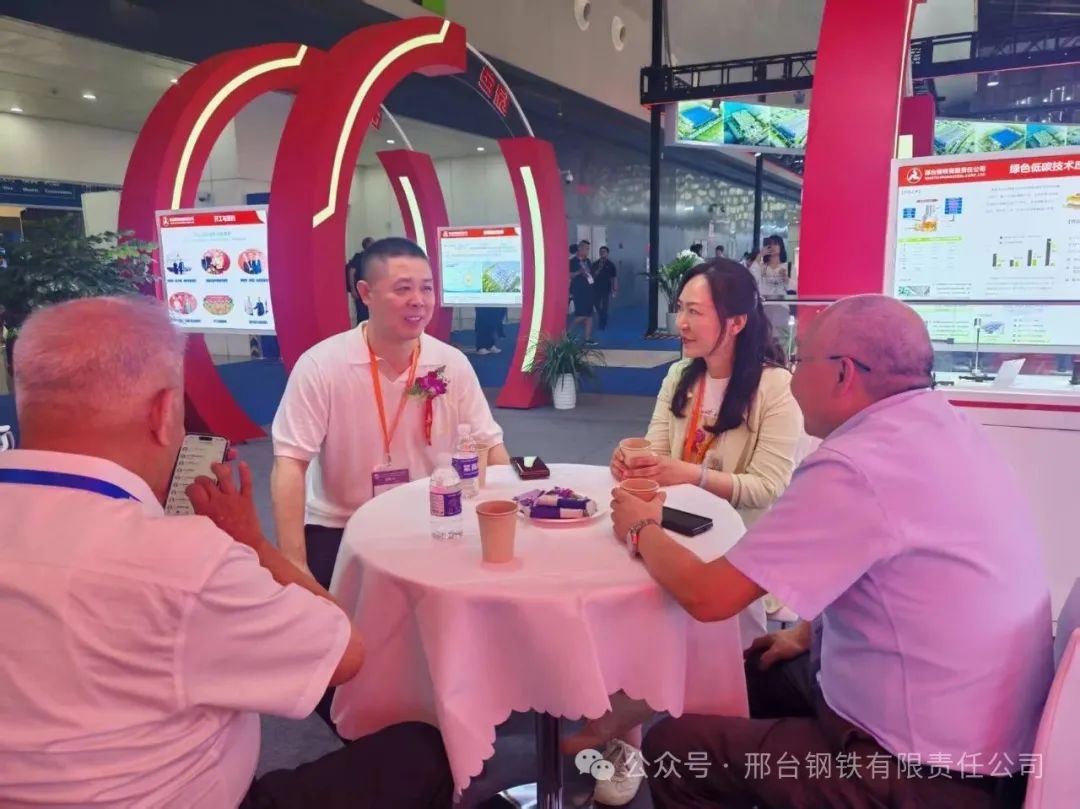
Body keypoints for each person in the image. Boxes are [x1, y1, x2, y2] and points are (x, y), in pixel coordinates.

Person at [0, 296, 454, 808]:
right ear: (164, 412)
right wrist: (252, 543)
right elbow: (343, 654)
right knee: (421, 753)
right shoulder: (182, 560)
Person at [608, 295, 1052, 809]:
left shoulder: (856, 465)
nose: (793, 377)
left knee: (675, 749)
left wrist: (641, 527)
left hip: (922, 769)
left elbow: (708, 598)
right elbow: (894, 567)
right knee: (746, 673)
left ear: (843, 374)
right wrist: (806, 632)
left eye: (801, 361)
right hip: (988, 737)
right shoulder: (949, 428)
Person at [273, 237, 510, 589]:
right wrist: (293, 561)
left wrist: (509, 517)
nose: (418, 300)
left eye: (426, 288)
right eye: (403, 289)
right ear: (365, 293)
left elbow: (490, 445)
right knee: (336, 619)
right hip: (342, 525)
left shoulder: (451, 363)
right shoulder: (321, 366)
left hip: (432, 519)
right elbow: (290, 463)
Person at [611, 259, 803, 530]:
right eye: (680, 308)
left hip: (736, 535)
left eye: (694, 311)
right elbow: (657, 452)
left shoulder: (777, 387)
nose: (681, 323)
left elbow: (766, 487)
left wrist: (694, 476)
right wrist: (635, 464)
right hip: (674, 522)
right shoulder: (679, 375)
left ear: (736, 323)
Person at [569, 239, 597, 345]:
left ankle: (587, 338)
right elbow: (569, 275)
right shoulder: (572, 261)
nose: (587, 251)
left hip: (589, 290)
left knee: (589, 315)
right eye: (586, 249)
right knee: (581, 315)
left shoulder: (588, 261)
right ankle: (566, 334)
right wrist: (579, 272)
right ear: (580, 249)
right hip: (579, 291)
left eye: (588, 249)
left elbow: (590, 274)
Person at [750, 234, 789, 300]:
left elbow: (793, 288)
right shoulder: (761, 267)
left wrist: (785, 278)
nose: (772, 246)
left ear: (781, 246)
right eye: (770, 244)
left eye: (775, 244)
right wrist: (760, 255)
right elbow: (751, 278)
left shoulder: (788, 267)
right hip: (764, 303)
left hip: (781, 303)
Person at [347, 236, 375, 323]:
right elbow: (351, 273)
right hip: (361, 289)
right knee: (362, 314)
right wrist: (353, 289)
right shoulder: (358, 257)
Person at [591, 245, 618, 331]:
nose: (602, 253)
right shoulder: (595, 264)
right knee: (596, 304)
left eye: (604, 252)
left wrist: (615, 289)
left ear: (607, 253)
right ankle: (602, 315)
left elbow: (614, 278)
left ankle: (602, 323)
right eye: (600, 252)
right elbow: (591, 276)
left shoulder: (611, 265)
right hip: (596, 287)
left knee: (605, 305)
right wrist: (598, 270)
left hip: (606, 288)